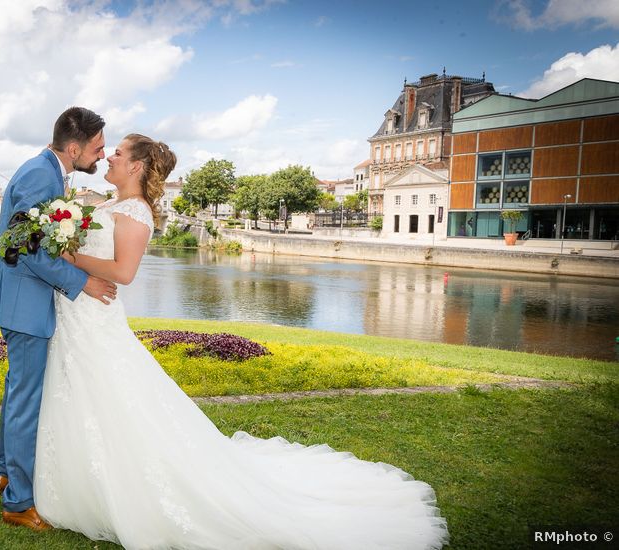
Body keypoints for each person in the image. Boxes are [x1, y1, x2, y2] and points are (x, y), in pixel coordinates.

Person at [33, 133, 450, 548]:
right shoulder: (105, 204)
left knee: (112, 397)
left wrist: (69, 258)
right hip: (78, 314)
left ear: (137, 166)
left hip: (96, 314)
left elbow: (123, 272)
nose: (109, 158)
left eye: (118, 154)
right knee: (89, 396)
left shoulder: (137, 212)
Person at [0, 106, 118, 531]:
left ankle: (5, 471)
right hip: (26, 303)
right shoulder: (42, 174)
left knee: (16, 389)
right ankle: (18, 503)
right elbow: (30, 248)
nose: (100, 156)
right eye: (97, 149)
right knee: (26, 400)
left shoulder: (47, 170)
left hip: (24, 299)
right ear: (74, 147)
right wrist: (84, 283)